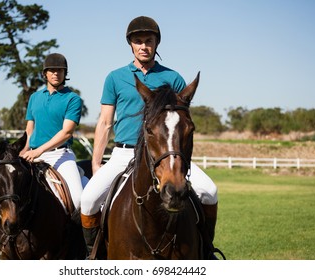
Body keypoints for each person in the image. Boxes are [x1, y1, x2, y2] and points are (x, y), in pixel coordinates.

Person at [80, 16, 219, 258]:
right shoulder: (115, 78)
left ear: (156, 44)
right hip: (125, 153)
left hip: (166, 153)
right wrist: (96, 160)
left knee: (209, 191)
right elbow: (104, 122)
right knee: (89, 200)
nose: (144, 46)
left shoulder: (173, 78)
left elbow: (180, 124)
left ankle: (206, 252)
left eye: (149, 41)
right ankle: (94, 257)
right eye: (138, 41)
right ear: (131, 45)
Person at [20, 53, 88, 210]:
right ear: (45, 73)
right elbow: (29, 130)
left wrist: (39, 150)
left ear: (65, 73)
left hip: (61, 155)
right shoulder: (34, 97)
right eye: (52, 70)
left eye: (60, 70)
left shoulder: (73, 99)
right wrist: (24, 151)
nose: (56, 73)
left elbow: (66, 132)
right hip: (34, 154)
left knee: (78, 200)